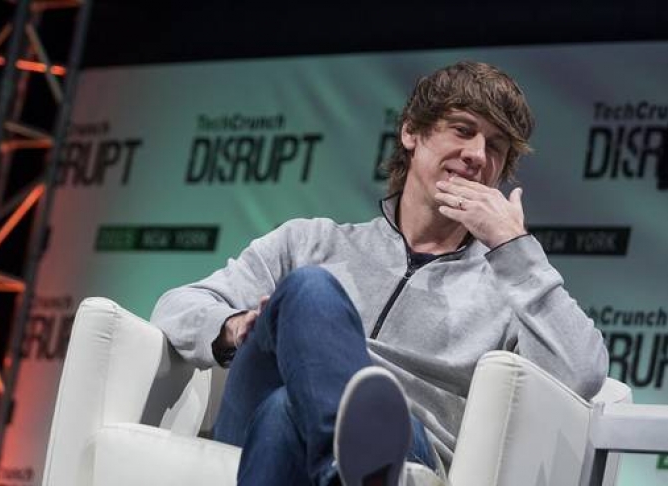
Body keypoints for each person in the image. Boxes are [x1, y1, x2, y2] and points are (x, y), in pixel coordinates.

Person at [150, 61, 608, 486]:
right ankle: (345, 465)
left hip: (406, 447)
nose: (475, 154)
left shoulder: (508, 287)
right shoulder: (310, 241)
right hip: (253, 422)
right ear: (411, 132)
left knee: (285, 409)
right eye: (463, 130)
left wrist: (514, 248)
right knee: (310, 288)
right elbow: (175, 307)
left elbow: (582, 375)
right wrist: (234, 327)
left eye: (495, 147)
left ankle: (347, 461)